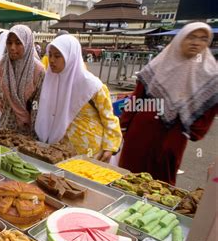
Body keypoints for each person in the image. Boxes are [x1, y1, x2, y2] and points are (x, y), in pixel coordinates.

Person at [119, 22, 218, 185]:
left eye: (203, 38)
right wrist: (124, 125)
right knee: (129, 175)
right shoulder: (160, 64)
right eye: (191, 37)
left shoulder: (210, 74)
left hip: (173, 137)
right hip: (141, 130)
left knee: (161, 181)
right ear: (180, 39)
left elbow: (210, 108)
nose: (196, 42)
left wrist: (192, 131)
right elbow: (137, 98)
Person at [35, 35, 122, 163]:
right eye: (50, 55)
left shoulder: (93, 86)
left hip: (90, 152)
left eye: (57, 56)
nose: (52, 60)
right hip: (61, 152)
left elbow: (109, 119)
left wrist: (109, 147)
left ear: (71, 56)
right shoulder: (51, 81)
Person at [0, 25, 45, 136]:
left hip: (28, 129)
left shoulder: (38, 71)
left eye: (18, 43)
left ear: (27, 43)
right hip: (6, 125)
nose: (12, 47)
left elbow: (38, 102)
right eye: (9, 43)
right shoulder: (1, 66)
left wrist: (30, 117)